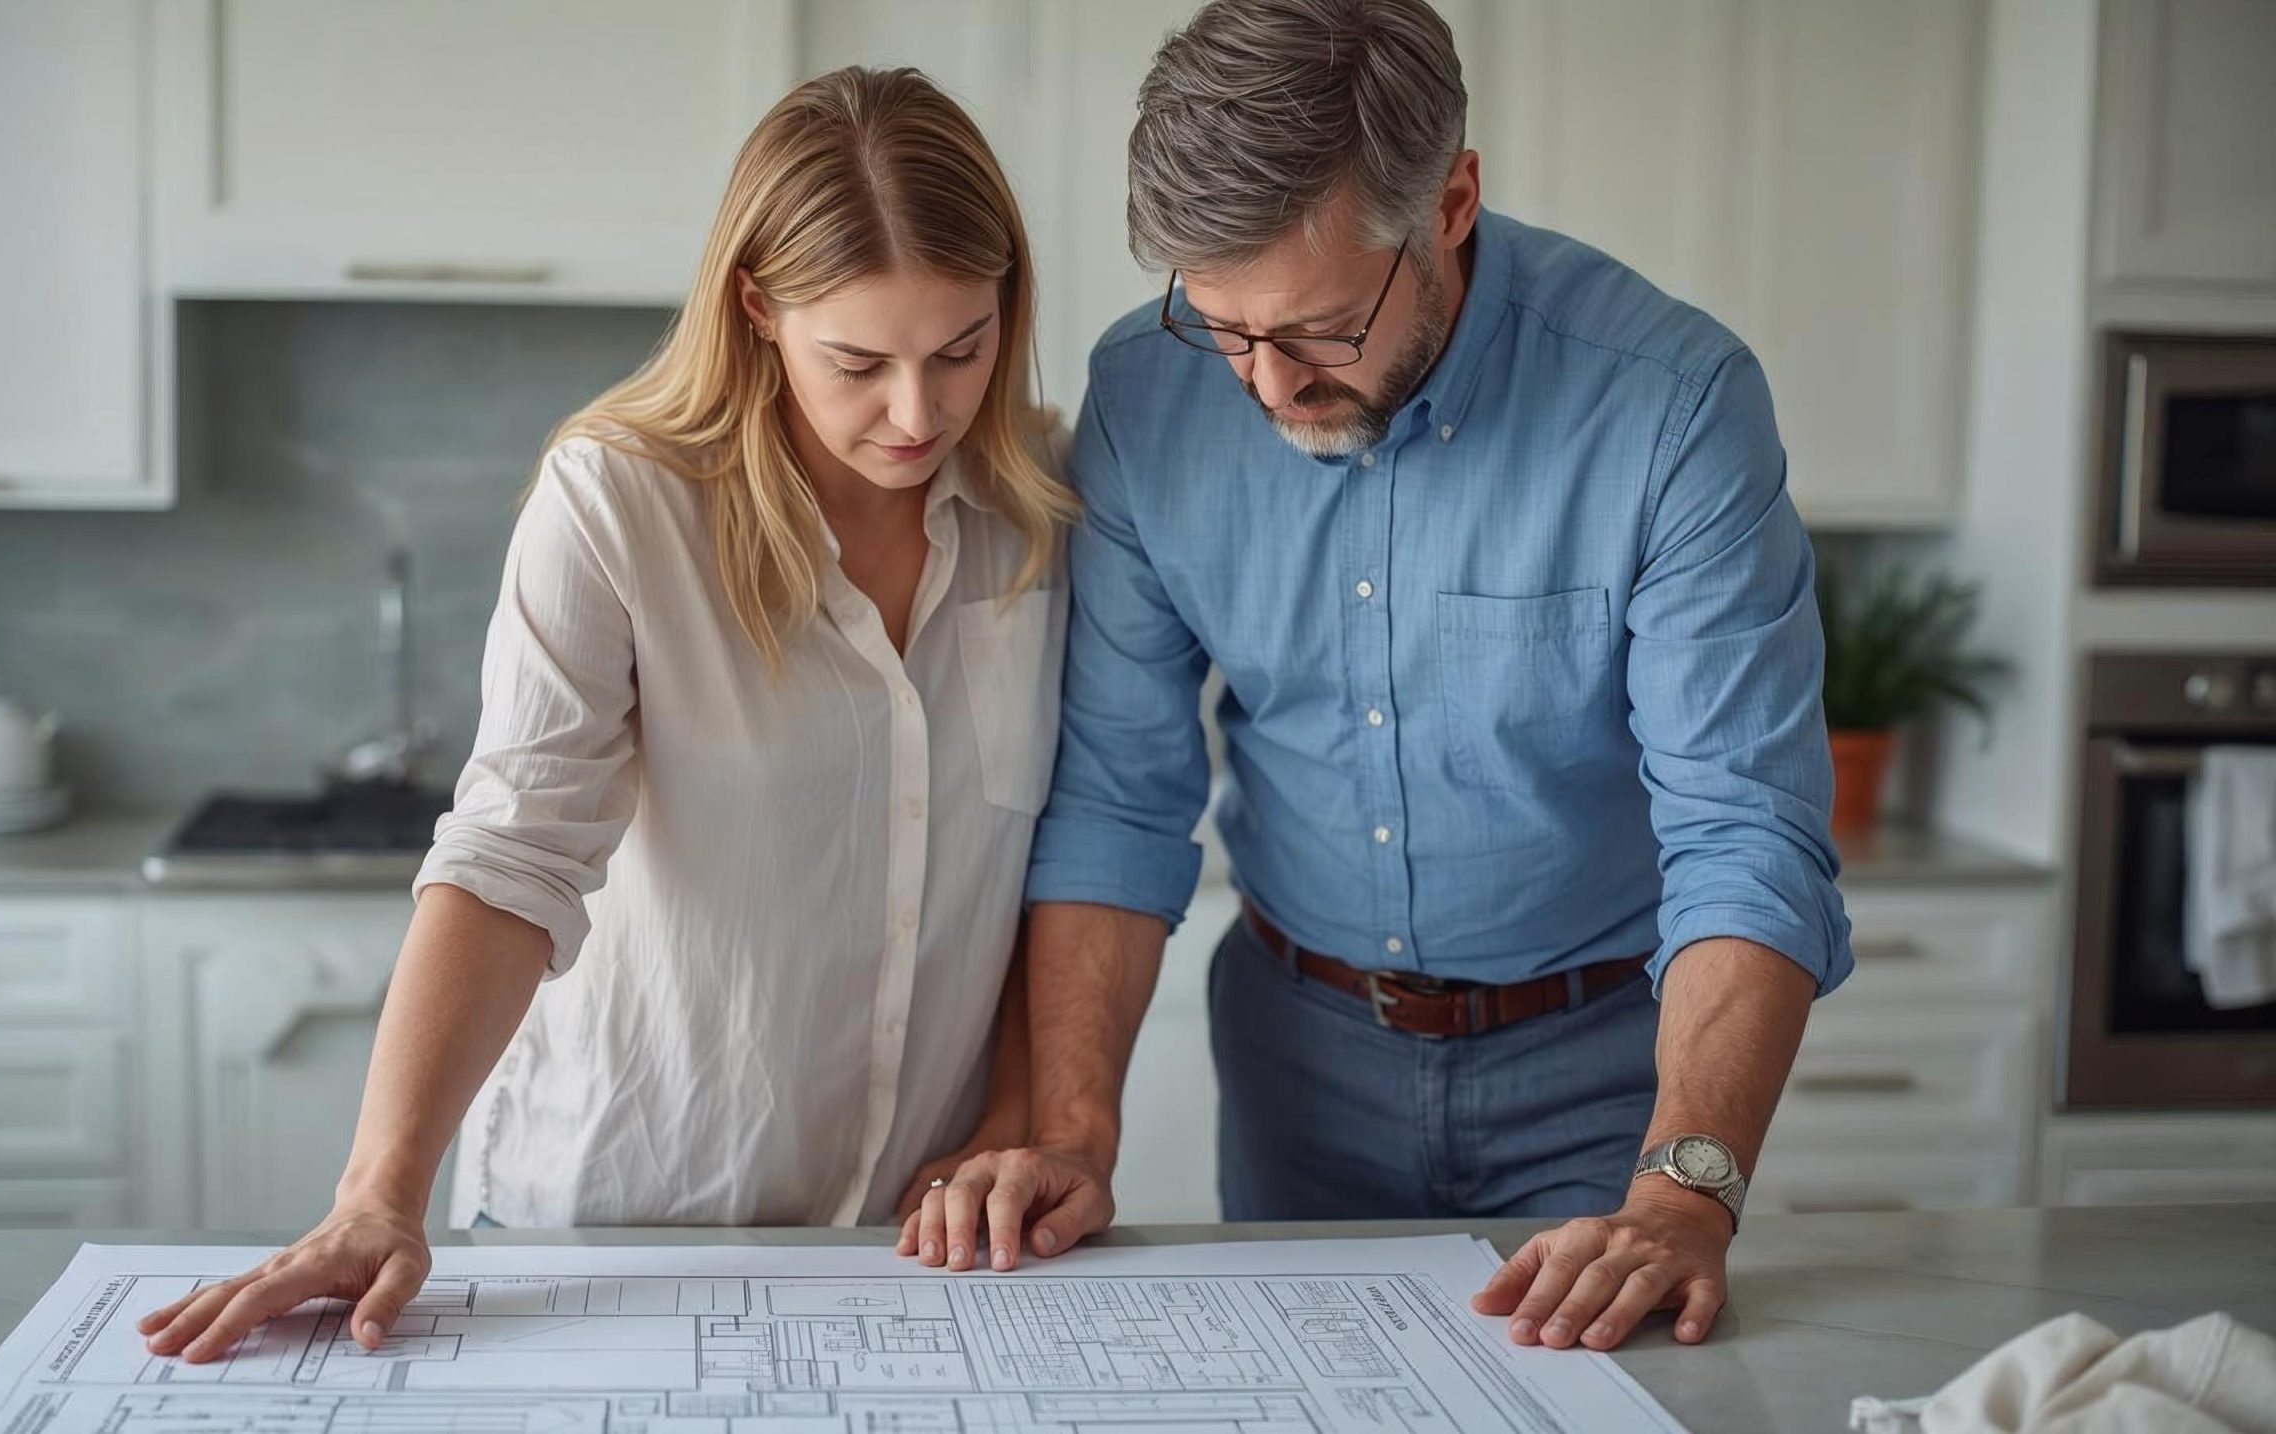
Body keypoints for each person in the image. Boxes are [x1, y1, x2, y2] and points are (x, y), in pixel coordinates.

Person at [913, 0, 1850, 1359]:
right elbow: (1118, 799)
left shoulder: (1668, 403)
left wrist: (1681, 1193)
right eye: (1222, 328)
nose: (1267, 385)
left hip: (1604, 1068)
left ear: (1452, 203)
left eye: (1321, 328)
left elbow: (1745, 832)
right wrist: (1069, 1133)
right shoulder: (1145, 395)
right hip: (1298, 1060)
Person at [139, 65, 1076, 1363]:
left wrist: (1020, 1119)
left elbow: (1057, 863)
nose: (919, 413)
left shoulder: (1044, 508)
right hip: (615, 1239)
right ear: (757, 307)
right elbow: (512, 853)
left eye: (960, 350)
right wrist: (377, 1191)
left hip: (916, 1253)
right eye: (858, 362)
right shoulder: (621, 505)